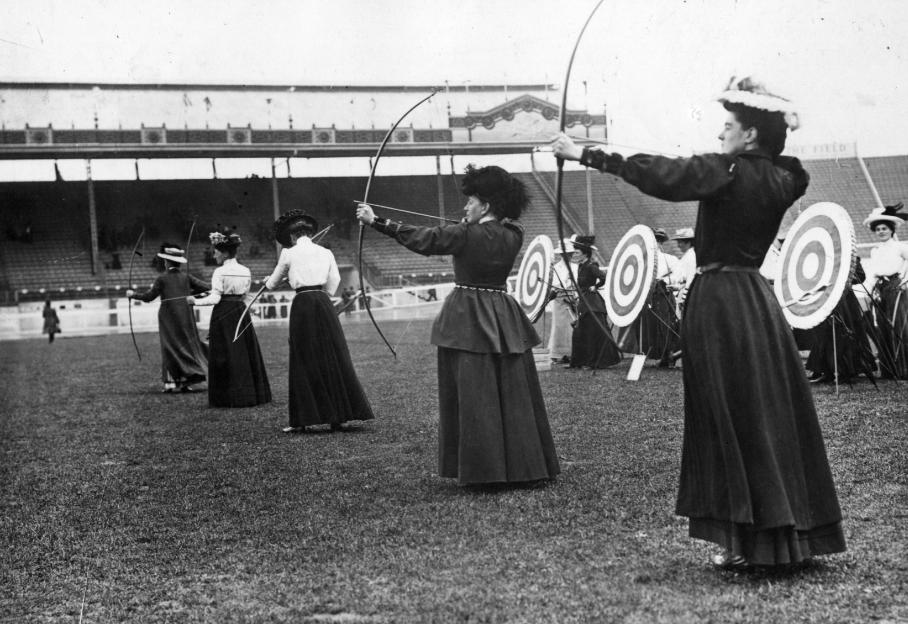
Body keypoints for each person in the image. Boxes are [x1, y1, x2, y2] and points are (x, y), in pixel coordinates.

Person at [552, 75, 846, 569]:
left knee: (727, 413)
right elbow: (787, 164)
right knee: (765, 410)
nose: (720, 135)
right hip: (756, 300)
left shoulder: (727, 170)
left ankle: (747, 541)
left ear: (749, 135)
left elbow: (664, 174)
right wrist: (771, 119)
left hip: (718, 300)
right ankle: (784, 534)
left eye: (729, 126)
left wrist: (583, 152)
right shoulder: (785, 178)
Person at [356, 164, 560, 486]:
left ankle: (485, 472)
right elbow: (471, 234)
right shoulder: (514, 234)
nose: (466, 207)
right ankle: (525, 467)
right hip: (502, 311)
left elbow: (426, 239)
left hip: (468, 314)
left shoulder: (464, 234)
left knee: (474, 393)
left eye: (471, 202)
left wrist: (376, 221)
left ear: (486, 205)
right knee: (511, 390)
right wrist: (466, 224)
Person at [265, 210, 374, 432]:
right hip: (323, 303)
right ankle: (339, 417)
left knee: (303, 357)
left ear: (293, 237)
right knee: (331, 353)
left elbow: (271, 285)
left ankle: (302, 421)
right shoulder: (325, 252)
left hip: (303, 304)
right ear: (310, 234)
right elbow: (334, 280)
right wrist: (319, 288)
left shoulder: (288, 253)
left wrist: (285, 280)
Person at [188, 231, 271, 408]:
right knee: (242, 352)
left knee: (224, 354)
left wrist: (194, 301)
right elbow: (244, 295)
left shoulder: (220, 271)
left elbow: (215, 298)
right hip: (240, 311)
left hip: (223, 314)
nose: (214, 254)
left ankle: (226, 398)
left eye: (216, 251)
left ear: (224, 252)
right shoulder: (245, 270)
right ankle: (250, 394)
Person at [127, 245, 209, 393]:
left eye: (165, 260)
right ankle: (186, 381)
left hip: (168, 319)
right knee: (185, 346)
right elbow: (207, 287)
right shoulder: (186, 277)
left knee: (169, 347)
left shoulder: (162, 278)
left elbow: (148, 297)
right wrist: (192, 291)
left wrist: (132, 294)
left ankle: (171, 383)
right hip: (186, 317)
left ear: (168, 262)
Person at [805, 261, 876, 384]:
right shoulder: (823, 255)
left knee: (844, 333)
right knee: (824, 333)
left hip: (845, 302)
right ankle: (824, 371)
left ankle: (846, 371)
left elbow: (860, 277)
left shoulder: (850, 255)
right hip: (826, 298)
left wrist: (844, 276)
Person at [861, 202, 908, 379]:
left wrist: (904, 280)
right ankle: (889, 370)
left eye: (884, 228)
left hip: (896, 288)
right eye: (878, 229)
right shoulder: (875, 251)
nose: (881, 231)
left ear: (891, 230)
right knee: (881, 326)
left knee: (899, 326)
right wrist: (869, 291)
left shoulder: (900, 247)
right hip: (880, 290)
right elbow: (874, 272)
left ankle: (903, 369)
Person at [568, 235, 622, 369]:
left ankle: (595, 362)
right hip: (584, 302)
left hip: (593, 304)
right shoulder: (581, 266)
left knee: (593, 333)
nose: (574, 254)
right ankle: (580, 361)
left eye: (577, 252)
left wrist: (596, 286)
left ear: (585, 253)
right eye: (574, 252)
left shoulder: (591, 266)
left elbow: (605, 277)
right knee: (581, 332)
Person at [547, 238, 578, 366]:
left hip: (572, 298)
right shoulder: (555, 268)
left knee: (572, 325)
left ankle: (572, 353)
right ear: (561, 254)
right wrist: (564, 283)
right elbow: (553, 284)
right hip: (560, 298)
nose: (569, 256)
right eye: (566, 254)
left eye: (570, 254)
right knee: (559, 326)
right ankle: (558, 354)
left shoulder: (576, 267)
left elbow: (578, 282)